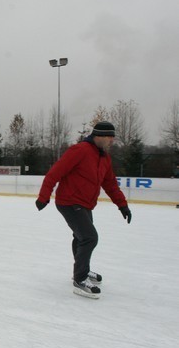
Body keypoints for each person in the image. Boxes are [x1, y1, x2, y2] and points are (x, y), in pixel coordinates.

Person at [36, 121, 132, 299]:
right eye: (110, 137)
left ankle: (81, 271)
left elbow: (110, 184)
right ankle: (80, 279)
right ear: (99, 136)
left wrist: (122, 205)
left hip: (86, 204)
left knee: (81, 237)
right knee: (89, 237)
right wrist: (44, 197)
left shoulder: (104, 158)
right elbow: (55, 173)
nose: (112, 141)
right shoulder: (80, 151)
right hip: (69, 202)